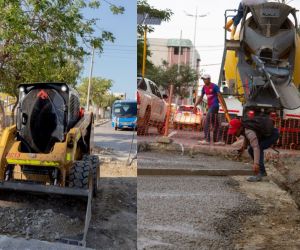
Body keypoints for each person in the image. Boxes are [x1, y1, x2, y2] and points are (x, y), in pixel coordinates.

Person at [227, 116, 279, 182]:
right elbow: (246, 137)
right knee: (250, 149)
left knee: (258, 148)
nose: (233, 133)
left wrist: (256, 163)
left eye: (234, 131)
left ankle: (261, 173)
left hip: (273, 135)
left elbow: (256, 148)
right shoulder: (244, 128)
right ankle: (261, 171)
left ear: (240, 128)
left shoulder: (249, 132)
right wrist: (243, 147)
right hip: (267, 135)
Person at [193, 74, 227, 145]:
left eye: (205, 79)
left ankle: (207, 139)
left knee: (206, 121)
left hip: (214, 106)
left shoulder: (214, 86)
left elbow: (220, 97)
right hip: (210, 107)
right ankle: (218, 140)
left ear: (209, 79)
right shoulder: (204, 87)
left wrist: (225, 107)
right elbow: (201, 97)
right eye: (203, 79)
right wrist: (195, 105)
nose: (204, 81)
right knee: (215, 124)